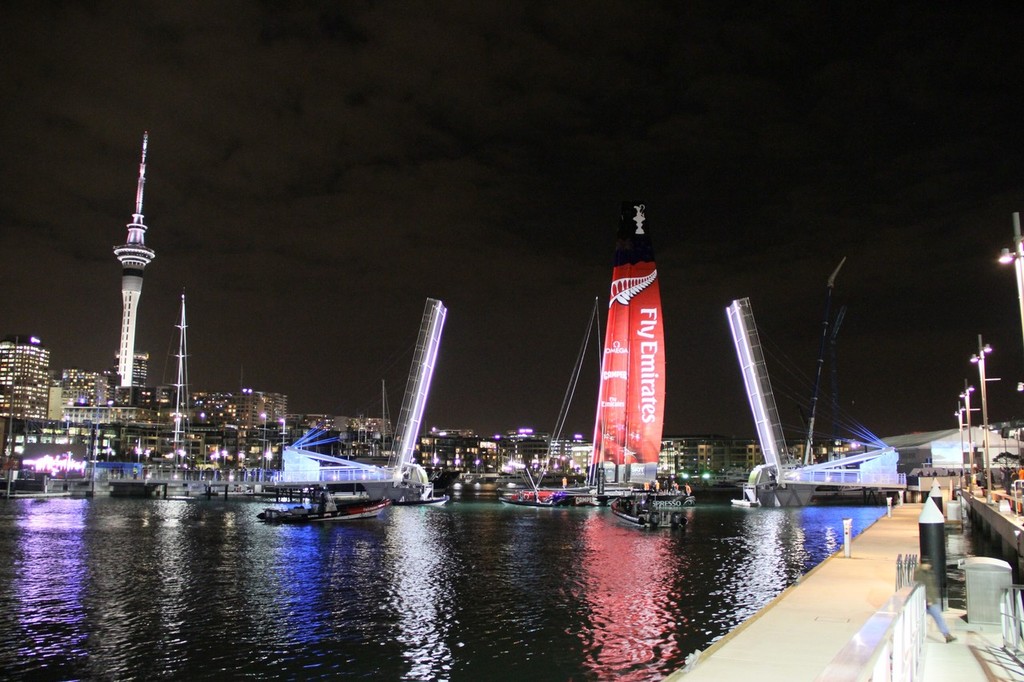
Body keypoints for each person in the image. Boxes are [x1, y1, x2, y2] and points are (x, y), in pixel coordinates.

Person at [915, 560, 956, 643]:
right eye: (927, 564)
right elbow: (922, 587)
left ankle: (947, 635)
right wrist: (929, 599)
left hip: (932, 600)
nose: (929, 566)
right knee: (938, 617)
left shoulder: (928, 572)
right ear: (922, 564)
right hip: (929, 601)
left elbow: (931, 585)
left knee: (937, 617)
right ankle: (947, 635)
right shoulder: (920, 574)